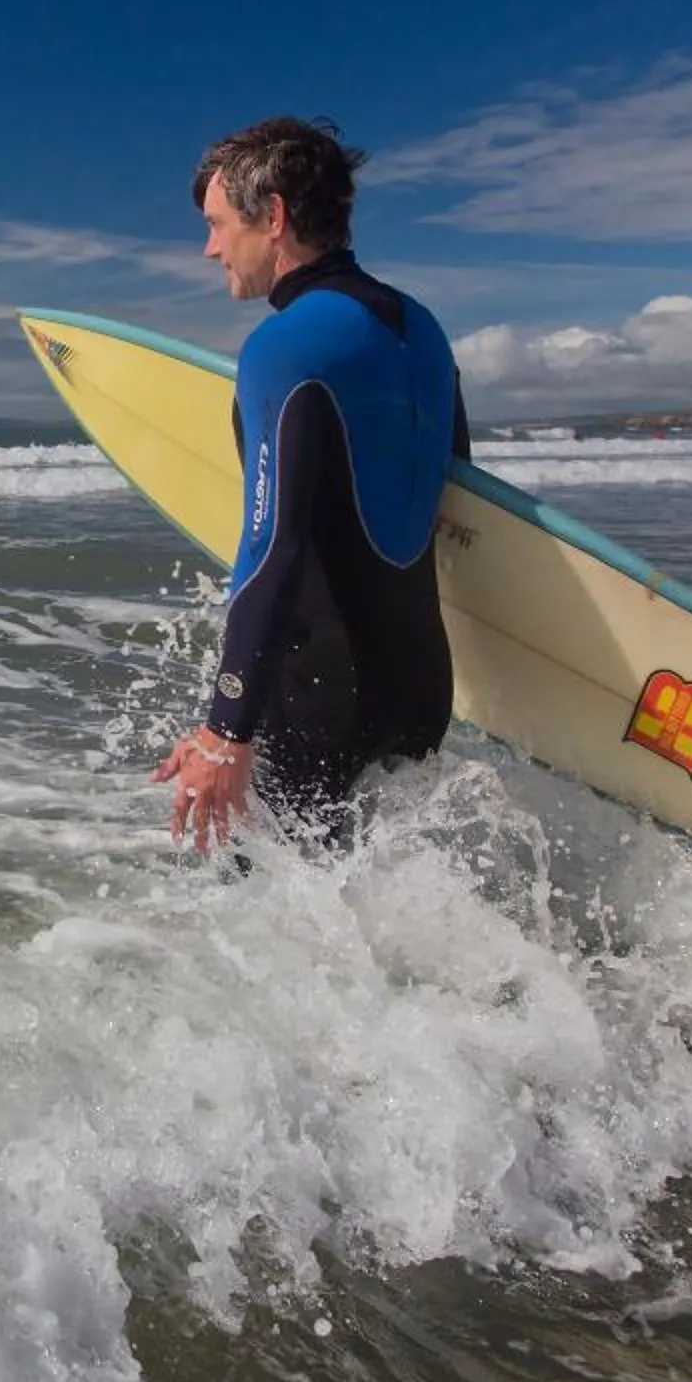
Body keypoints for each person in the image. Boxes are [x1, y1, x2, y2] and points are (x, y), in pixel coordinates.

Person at [151, 116, 468, 856]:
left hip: (326, 694)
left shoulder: (286, 346)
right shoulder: (423, 329)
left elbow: (272, 546)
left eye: (218, 224)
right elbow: (456, 503)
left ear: (275, 217)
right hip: (422, 685)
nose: (210, 247)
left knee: (269, 924)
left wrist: (225, 729)